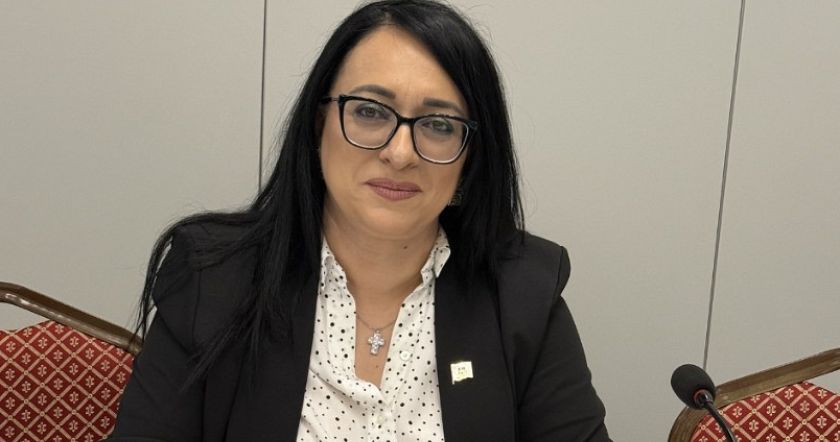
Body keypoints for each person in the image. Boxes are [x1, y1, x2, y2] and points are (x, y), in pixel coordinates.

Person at [107, 1, 611, 441]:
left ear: (470, 155)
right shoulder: (213, 279)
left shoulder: (523, 296)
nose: (400, 153)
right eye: (370, 112)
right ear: (319, 123)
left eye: (438, 125)